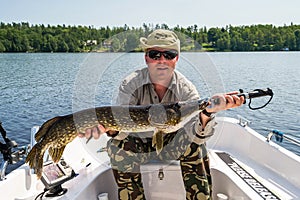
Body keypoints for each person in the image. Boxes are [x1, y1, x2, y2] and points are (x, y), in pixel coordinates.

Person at [79, 29, 244, 200]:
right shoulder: (130, 84)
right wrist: (109, 130)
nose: (162, 60)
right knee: (116, 147)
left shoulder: (186, 90)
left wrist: (207, 113)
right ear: (146, 57)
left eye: (169, 54)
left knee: (196, 146)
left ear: (176, 59)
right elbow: (121, 131)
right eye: (155, 54)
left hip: (172, 144)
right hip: (139, 143)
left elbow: (198, 135)